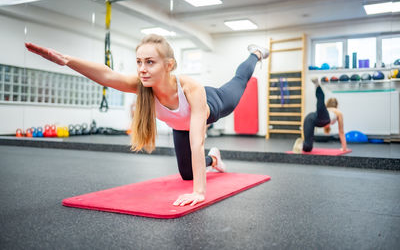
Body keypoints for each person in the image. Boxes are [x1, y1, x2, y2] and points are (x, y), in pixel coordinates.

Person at [25, 34, 269, 207]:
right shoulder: (142, 86)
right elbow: (108, 75)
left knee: (239, 80)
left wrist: (199, 192)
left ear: (169, 65)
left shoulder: (191, 88)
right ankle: (214, 159)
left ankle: (255, 54)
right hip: (179, 125)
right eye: (139, 62)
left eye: (149, 62)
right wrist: (67, 61)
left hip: (214, 104)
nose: (142, 68)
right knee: (186, 174)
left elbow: (197, 142)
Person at [292, 77, 347, 153]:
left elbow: (326, 124)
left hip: (310, 118)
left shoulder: (328, 110)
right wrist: (344, 148)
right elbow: (341, 132)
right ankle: (316, 84)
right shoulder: (338, 112)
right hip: (317, 118)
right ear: (336, 105)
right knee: (321, 101)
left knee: (308, 148)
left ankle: (300, 145)